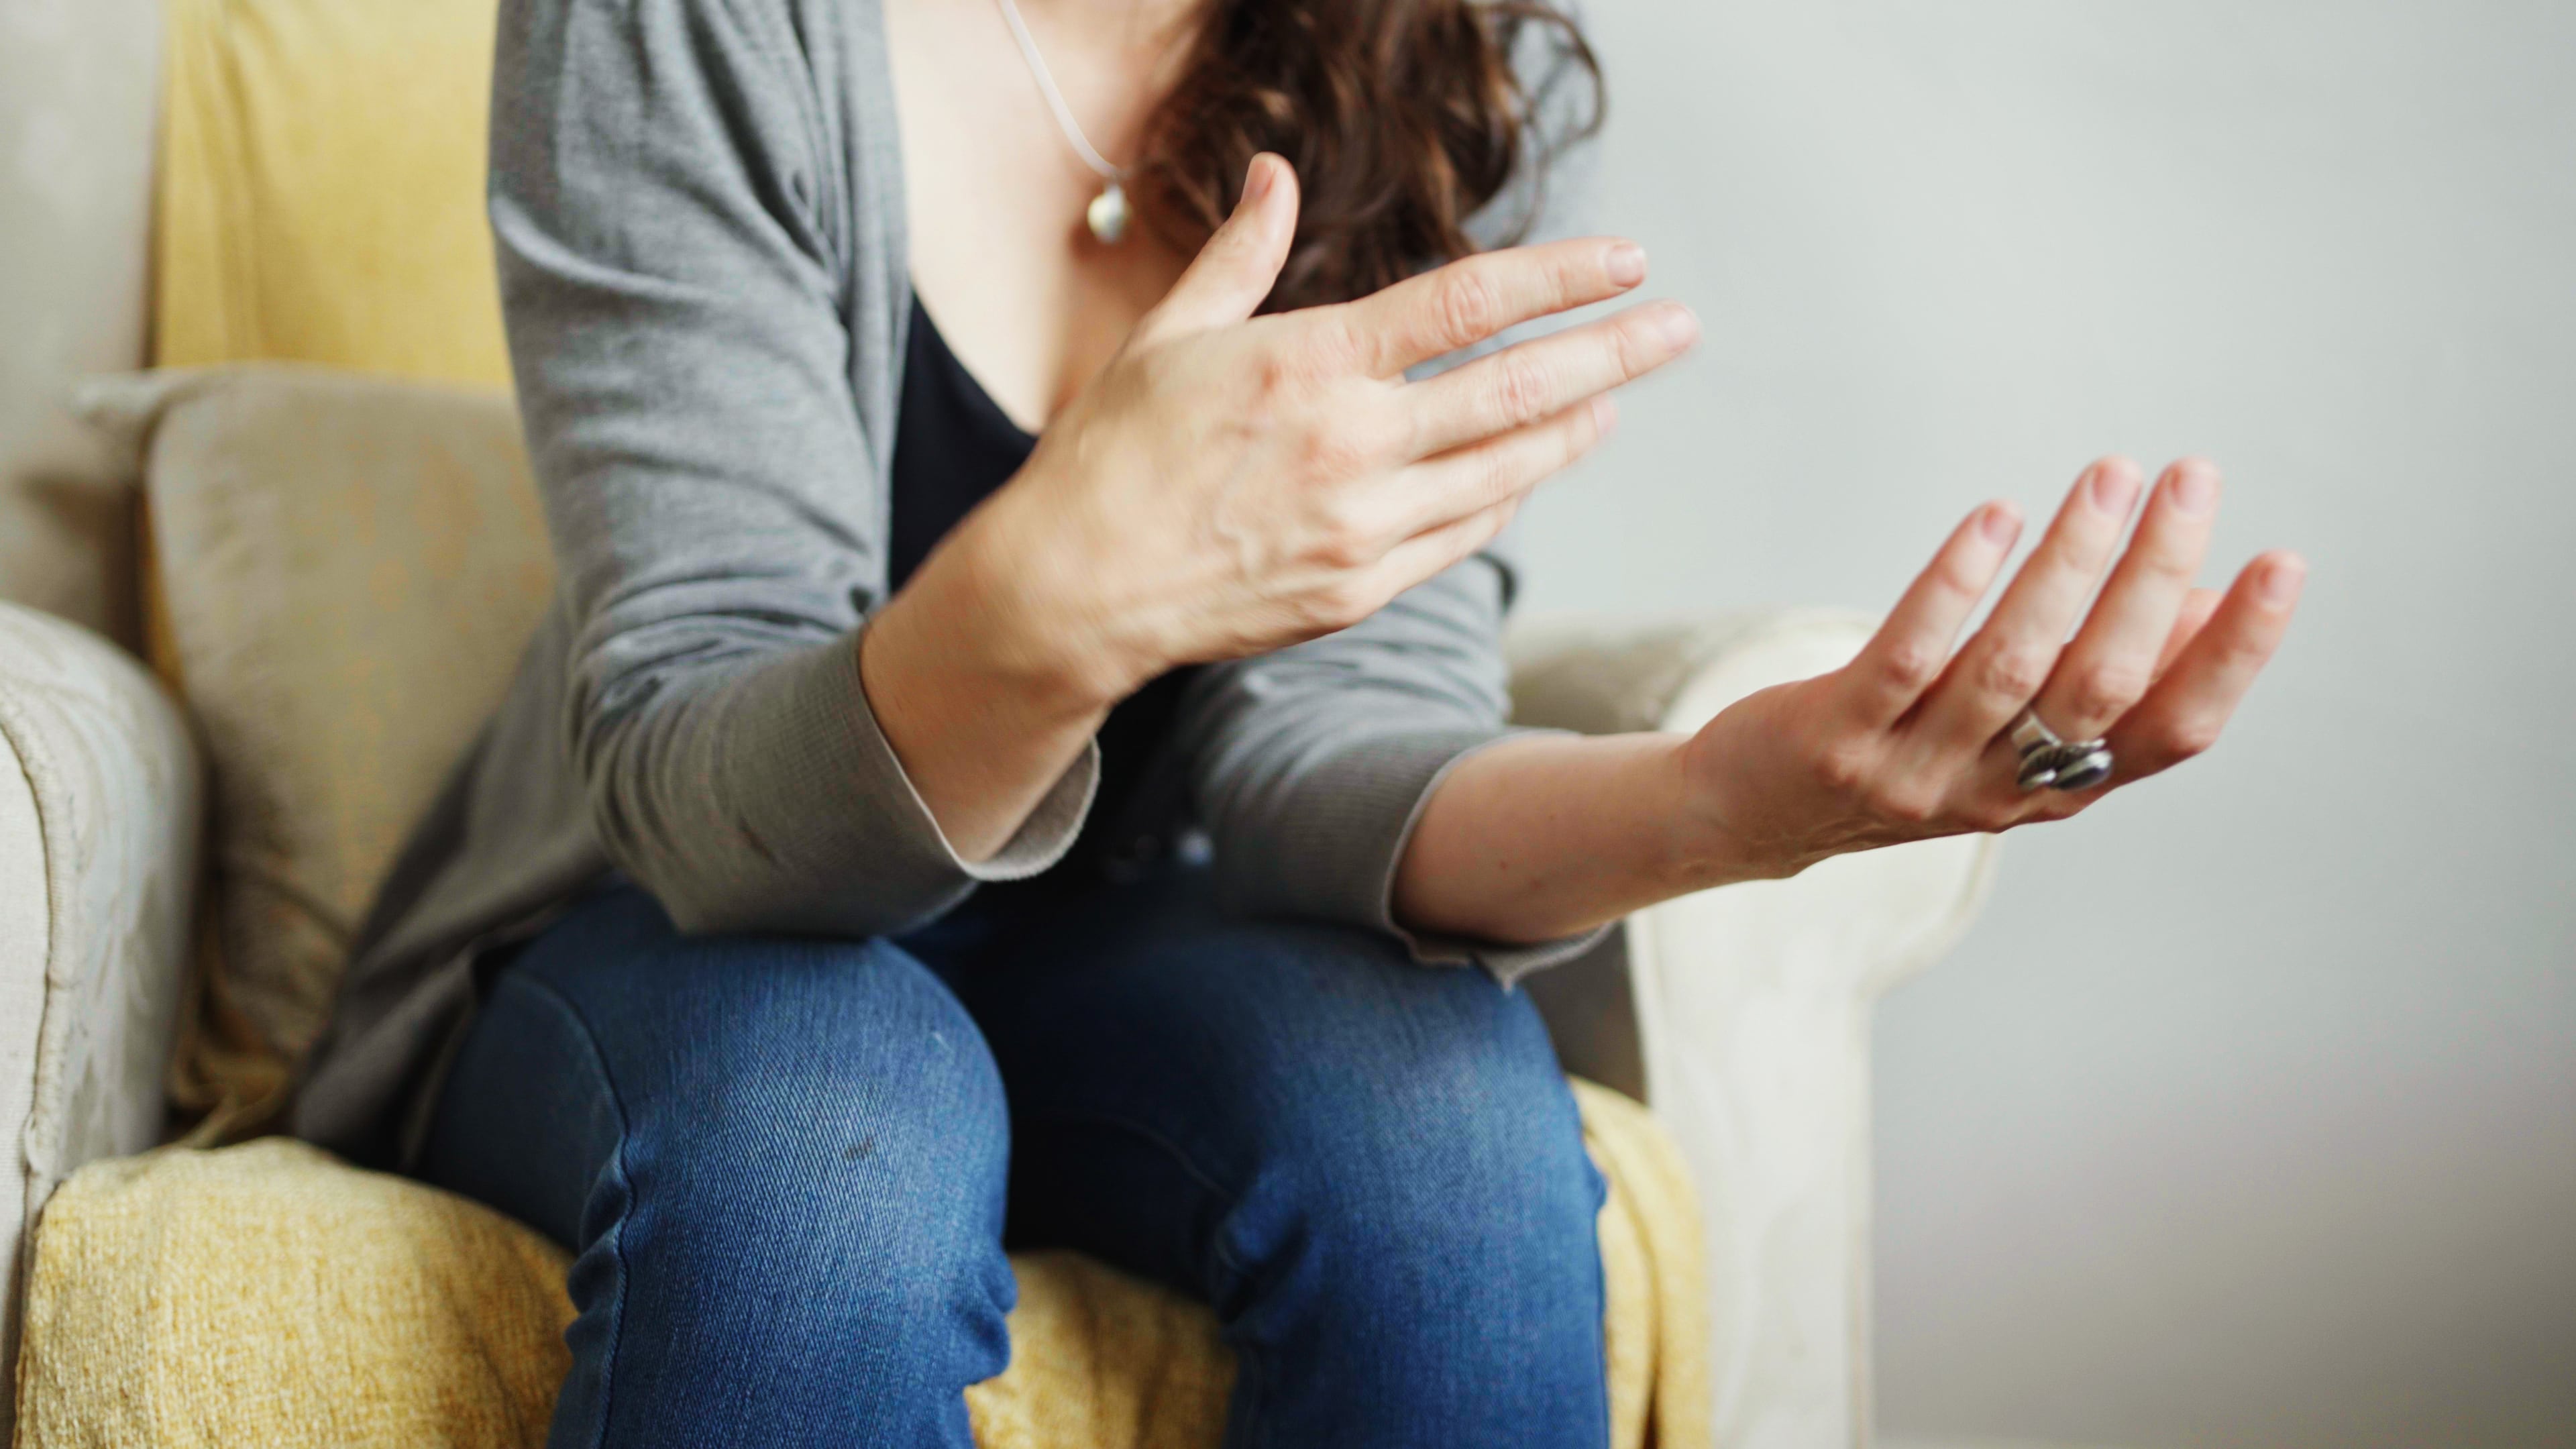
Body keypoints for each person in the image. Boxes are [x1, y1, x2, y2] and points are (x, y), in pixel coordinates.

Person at [288, 0, 2306, 1443]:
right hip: (680, 928)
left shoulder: (1443, 63)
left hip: (1138, 944)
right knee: (832, 1128)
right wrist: (1050, 601)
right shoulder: (697, 24)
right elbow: (704, 793)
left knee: (1442, 1130)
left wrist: (1715, 803)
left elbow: (1325, 758)